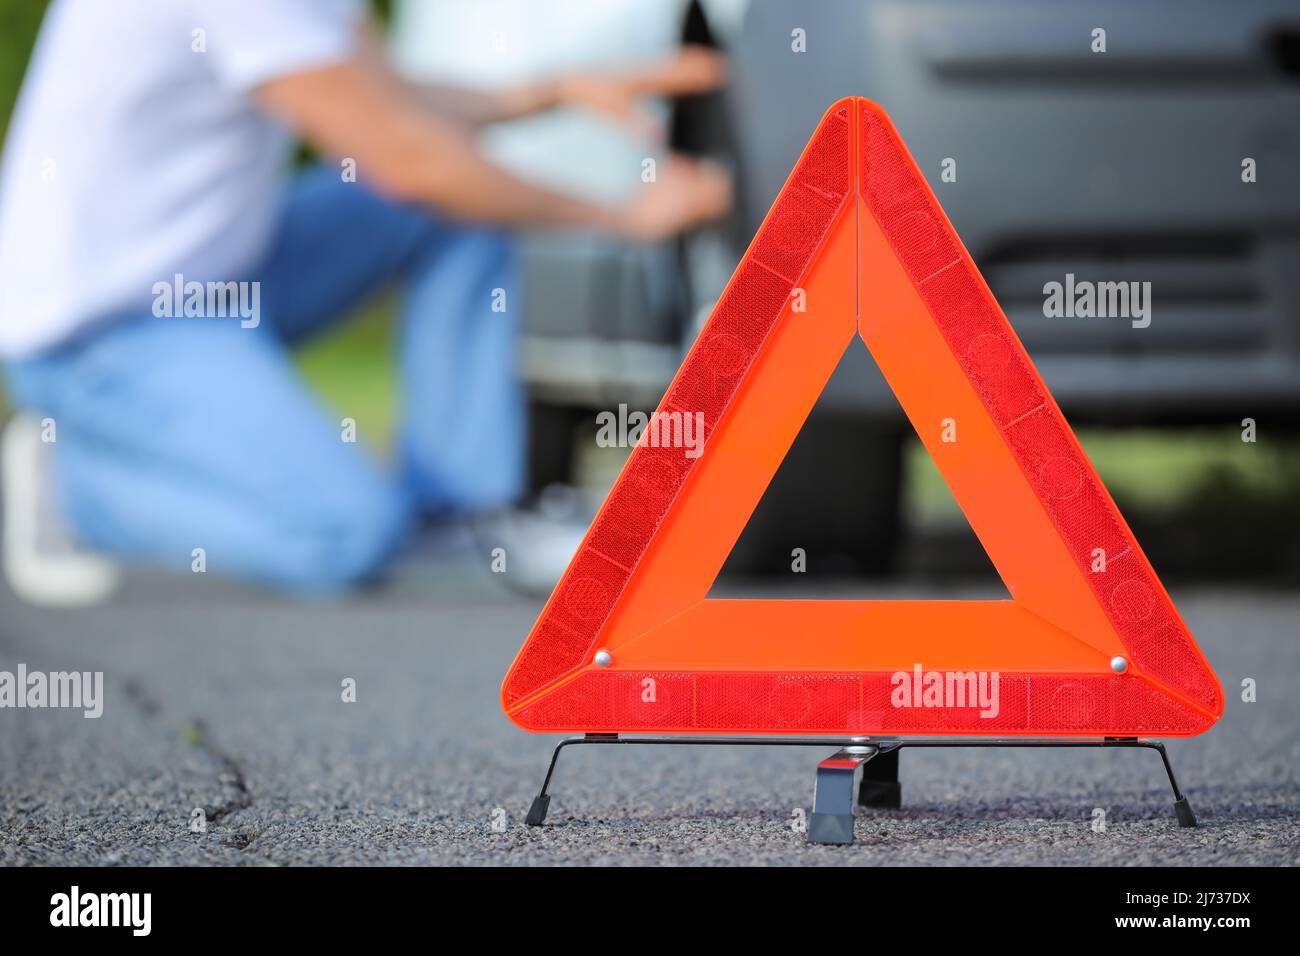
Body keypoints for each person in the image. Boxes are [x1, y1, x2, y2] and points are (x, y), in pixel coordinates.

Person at [0, 0, 730, 605]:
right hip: (102, 328)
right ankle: (77, 481)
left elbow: (391, 103)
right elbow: (410, 163)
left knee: (457, 206)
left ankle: (458, 511)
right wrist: (622, 216)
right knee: (342, 536)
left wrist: (555, 91)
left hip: (221, 275)